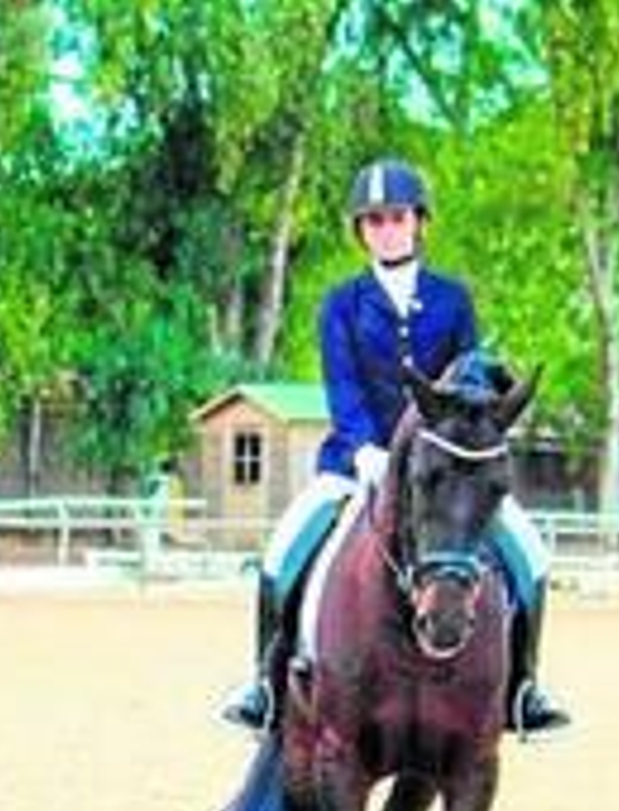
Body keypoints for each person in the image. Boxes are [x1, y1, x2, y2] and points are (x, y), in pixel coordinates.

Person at [220, 157, 570, 741]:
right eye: (374, 220)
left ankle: (524, 689)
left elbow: (467, 380)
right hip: (355, 463)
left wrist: (483, 400)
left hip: (445, 472)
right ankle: (265, 685)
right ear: (361, 230)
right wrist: (366, 451)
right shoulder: (341, 304)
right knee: (282, 552)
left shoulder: (452, 299)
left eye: (397, 217)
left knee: (530, 555)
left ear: (418, 223)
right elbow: (343, 387)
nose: (386, 230)